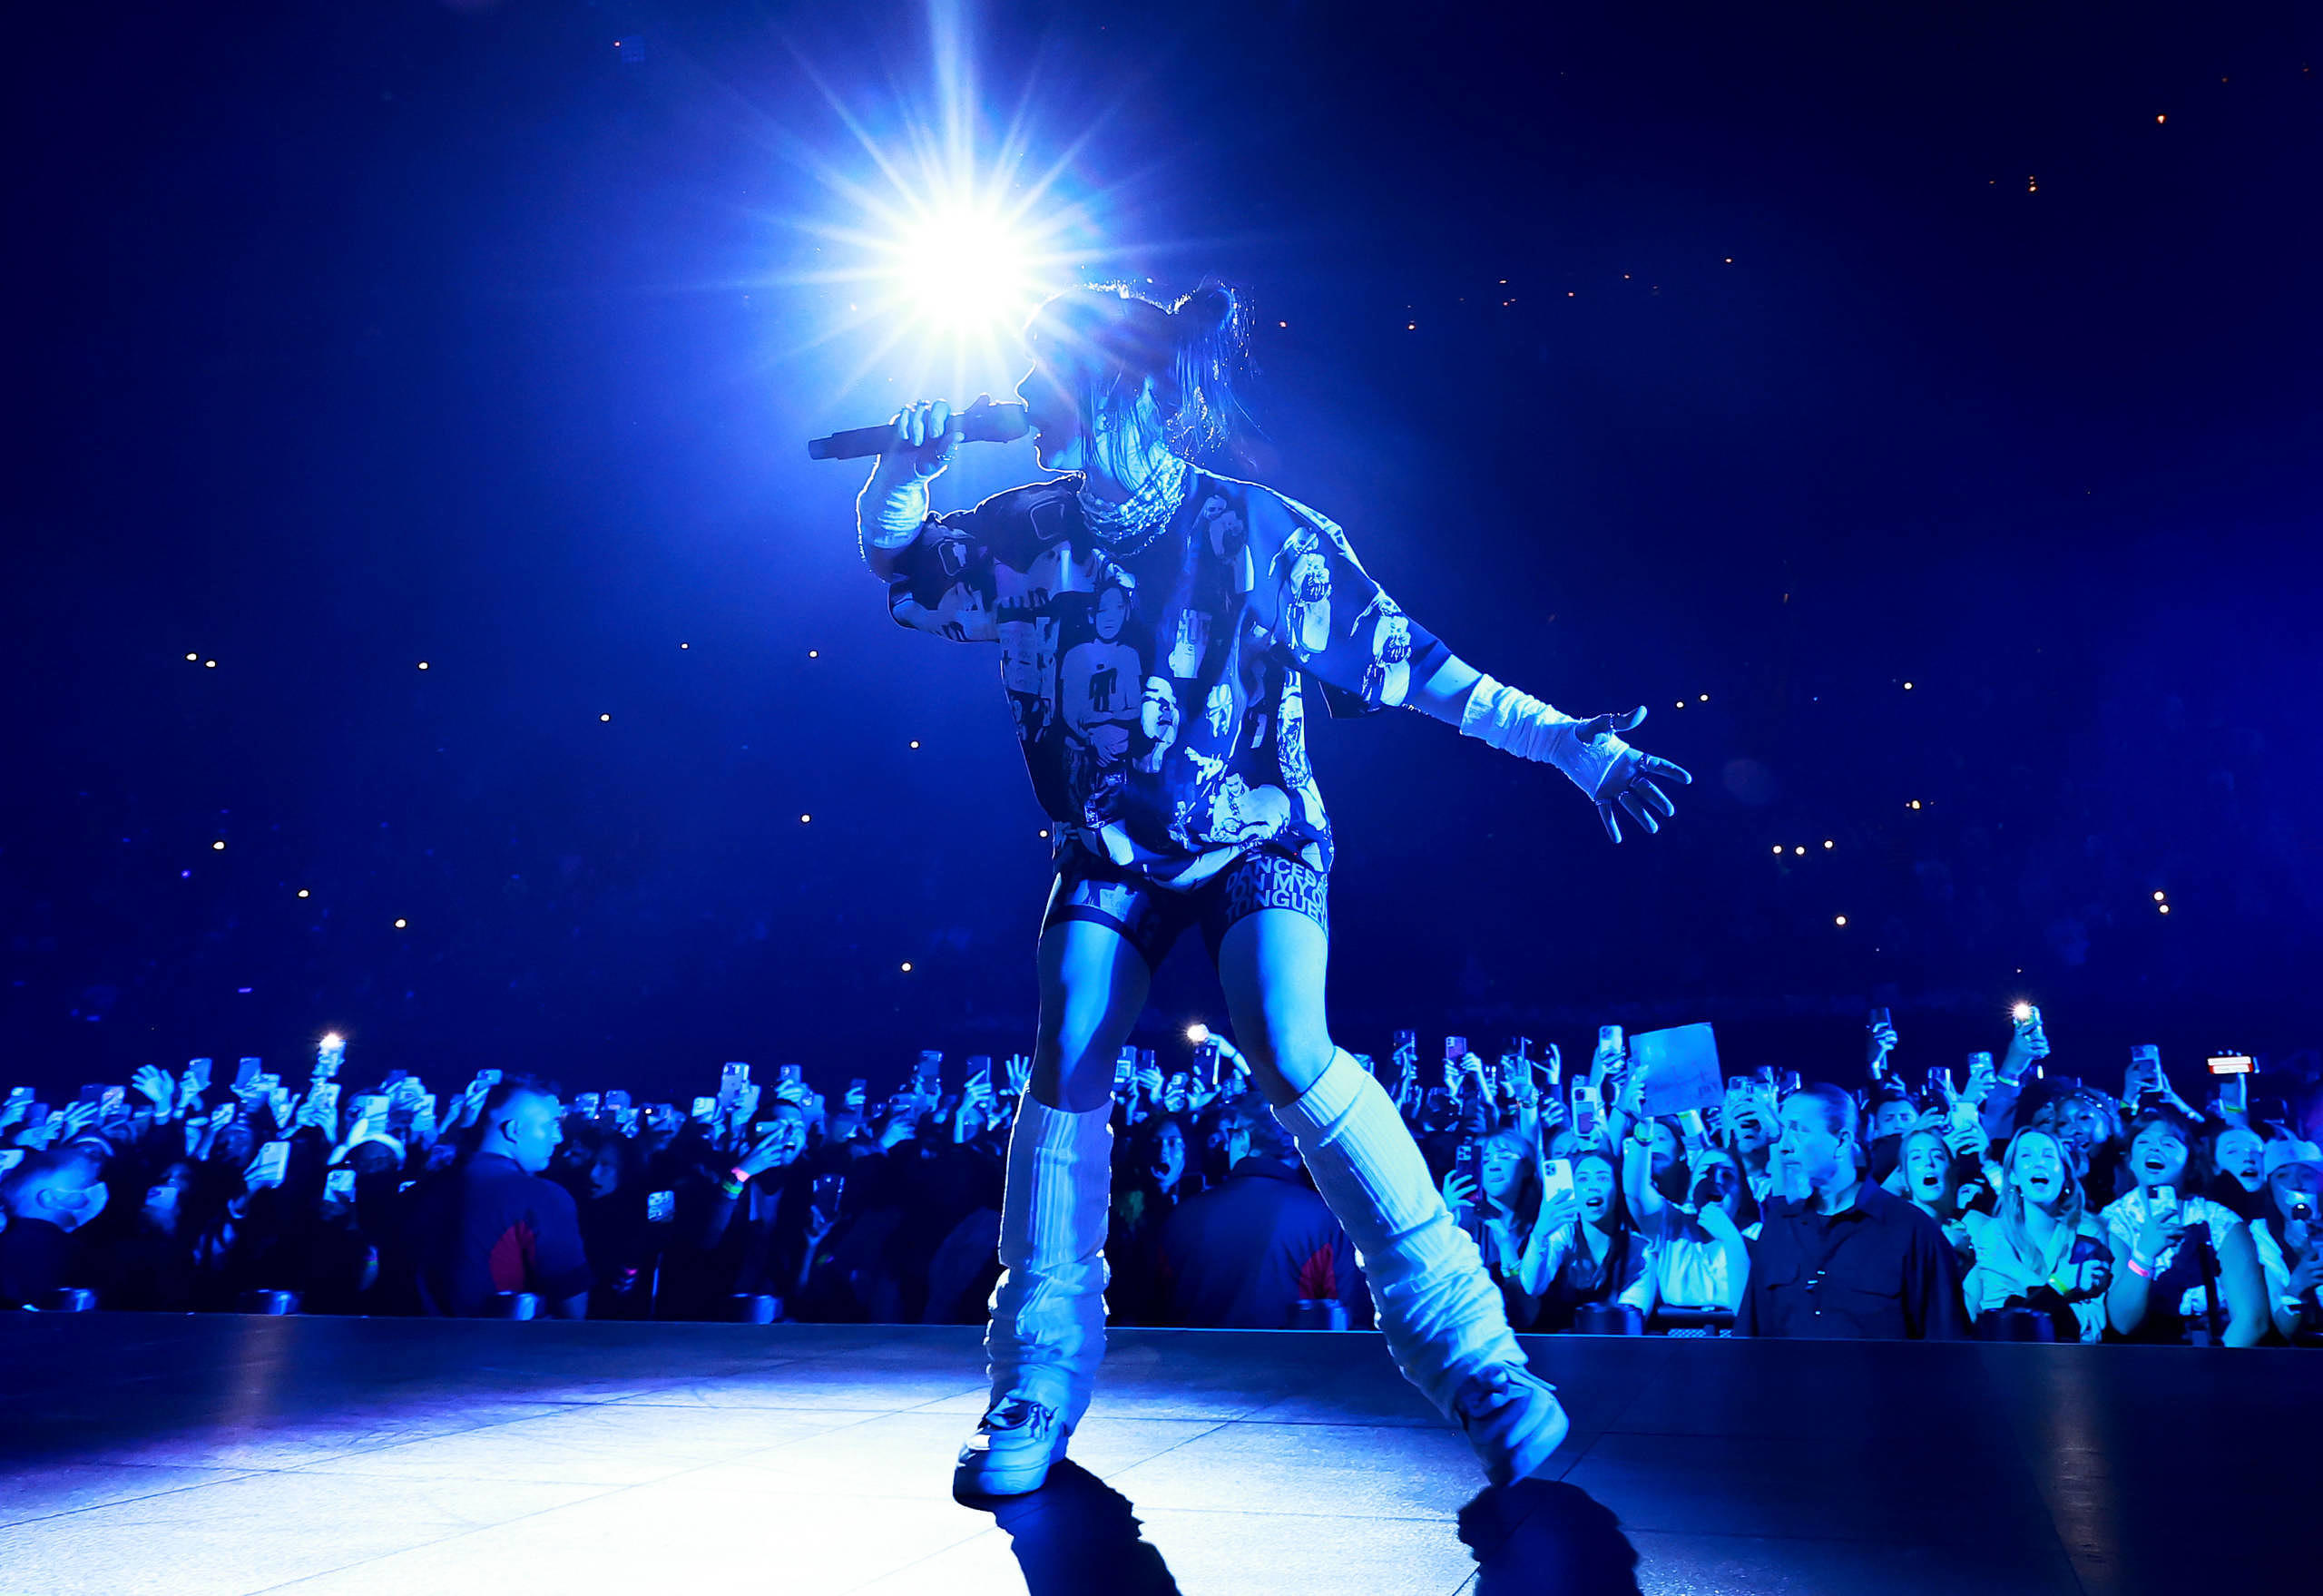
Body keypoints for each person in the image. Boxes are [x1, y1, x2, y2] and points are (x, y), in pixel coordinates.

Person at [857, 279, 1692, 1494]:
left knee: (1288, 1043)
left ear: (1115, 392)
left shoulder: (1257, 531)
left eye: (1047, 373)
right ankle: (1033, 1379)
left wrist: (1569, 744)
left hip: (1256, 829)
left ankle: (1478, 1359)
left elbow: (1418, 666)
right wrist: (902, 474)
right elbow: (904, 565)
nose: (1026, 393)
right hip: (1107, 843)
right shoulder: (1030, 526)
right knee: (1067, 1038)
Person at [1739, 1084, 1964, 1339]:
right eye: (1783, 1130)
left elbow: (1946, 1341)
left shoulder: (1912, 1231)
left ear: (1842, 1141)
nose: (1784, 1146)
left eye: (1799, 1130)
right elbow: (1751, 1334)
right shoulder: (1779, 1226)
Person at [1152, 1111, 1361, 1329]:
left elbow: (1153, 1315)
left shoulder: (1182, 1217)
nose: (1225, 1147)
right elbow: (1350, 1319)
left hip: (1190, 1351)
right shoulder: (1326, 1219)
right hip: (1292, 1352)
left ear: (1242, 1139)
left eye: (1231, 1135)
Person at [407, 1079, 592, 1318]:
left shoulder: (424, 1187)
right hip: (498, 1340)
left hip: (411, 1338)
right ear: (515, 1130)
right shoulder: (541, 1197)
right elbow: (573, 1307)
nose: (558, 1138)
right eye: (551, 1126)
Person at [2099, 1108, 2267, 1346]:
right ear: (2131, 1161)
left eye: (2168, 1143)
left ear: (2189, 1160)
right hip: (2142, 1352)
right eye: (2144, 1142)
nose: (2155, 1149)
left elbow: (2252, 1320)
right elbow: (2124, 1322)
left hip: (2217, 1348)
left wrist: (2212, 1365)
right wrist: (2144, 1254)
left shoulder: (2219, 1221)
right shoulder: (2114, 1220)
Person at [1962, 1129, 2112, 1341]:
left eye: (2048, 1156)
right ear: (2013, 1176)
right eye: (2026, 1155)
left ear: (2064, 1174)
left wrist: (2019, 1277)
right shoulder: (1995, 1234)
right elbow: (2003, 1323)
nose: (2039, 1163)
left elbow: (2088, 1328)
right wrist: (2061, 1285)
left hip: (2072, 1358)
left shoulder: (2088, 1234)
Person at [0, 1147, 109, 1307]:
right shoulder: (72, 1256)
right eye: (86, 1185)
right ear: (48, 1199)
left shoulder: (7, 1243)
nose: (97, 1192)